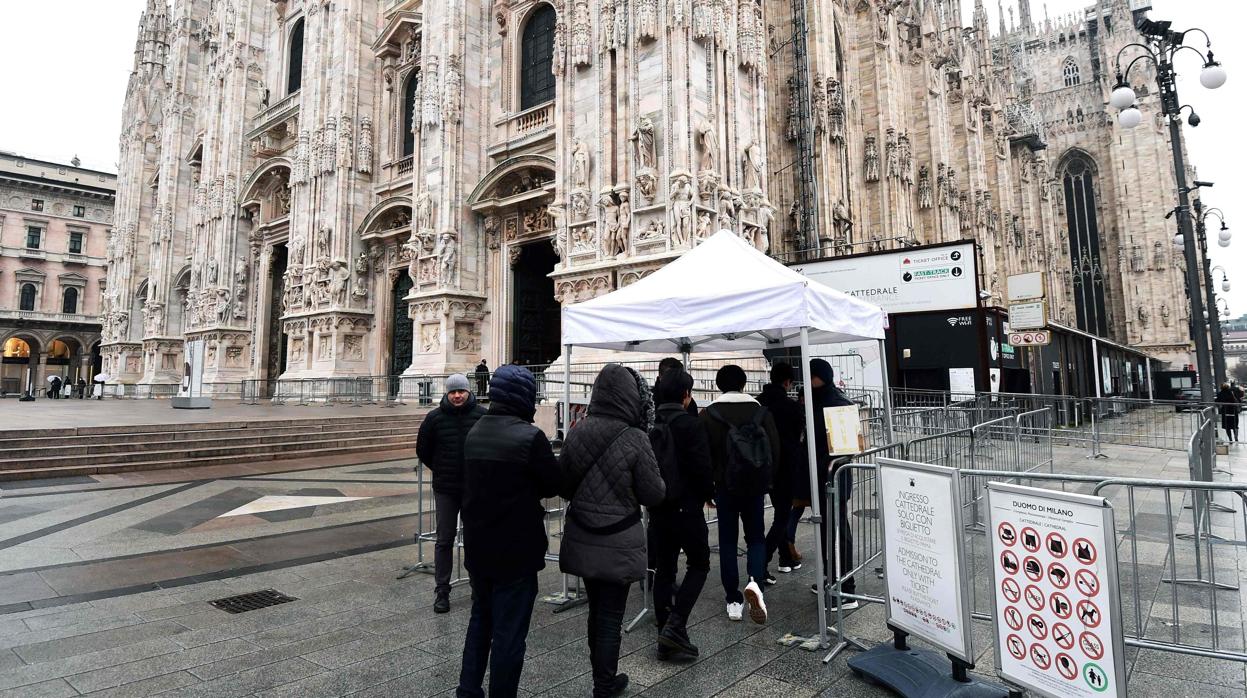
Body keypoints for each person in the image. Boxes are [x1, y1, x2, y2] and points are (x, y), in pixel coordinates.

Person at [560, 365, 665, 697]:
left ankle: (601, 677)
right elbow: (654, 494)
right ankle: (605, 683)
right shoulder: (635, 437)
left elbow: (564, 484)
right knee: (610, 616)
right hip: (619, 539)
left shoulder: (578, 430)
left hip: (585, 535)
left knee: (596, 611)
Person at [457, 365, 561, 698]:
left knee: (480, 623)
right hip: (516, 552)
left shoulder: (474, 431)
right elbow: (552, 484)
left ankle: (468, 691)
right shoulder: (530, 438)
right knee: (509, 635)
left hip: (478, 547)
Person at [701, 364, 780, 623]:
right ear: (745, 383)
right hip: (755, 486)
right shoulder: (760, 412)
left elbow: (704, 455)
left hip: (724, 486)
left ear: (718, 384)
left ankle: (733, 599)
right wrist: (767, 481)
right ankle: (755, 583)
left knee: (727, 539)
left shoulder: (710, 414)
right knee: (756, 536)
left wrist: (708, 487)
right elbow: (774, 450)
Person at [647, 367, 714, 660]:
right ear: (686, 395)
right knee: (699, 565)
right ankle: (676, 624)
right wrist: (708, 494)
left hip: (659, 506)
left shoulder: (650, 424)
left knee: (664, 569)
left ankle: (665, 631)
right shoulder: (690, 424)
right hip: (687, 506)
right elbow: (701, 467)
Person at [416, 373, 487, 614]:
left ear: (469, 392)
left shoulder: (482, 416)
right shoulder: (434, 418)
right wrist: (441, 468)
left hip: (473, 488)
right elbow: (423, 450)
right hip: (446, 488)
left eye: (461, 391)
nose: (457, 396)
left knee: (475, 539)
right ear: (447, 393)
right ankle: (442, 591)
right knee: (444, 539)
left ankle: (478, 586)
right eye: (453, 392)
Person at [802, 358, 858, 609]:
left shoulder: (837, 403)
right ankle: (831, 578)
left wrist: (826, 464)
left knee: (836, 530)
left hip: (834, 478)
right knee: (828, 529)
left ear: (820, 377)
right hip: (822, 477)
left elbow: (847, 447)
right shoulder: (817, 400)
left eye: (810, 376)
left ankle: (845, 587)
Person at [757, 362, 804, 578]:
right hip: (785, 468)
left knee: (780, 513)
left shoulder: (758, 403)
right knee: (782, 516)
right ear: (788, 382)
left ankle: (786, 557)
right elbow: (797, 438)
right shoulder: (791, 406)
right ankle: (762, 560)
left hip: (760, 466)